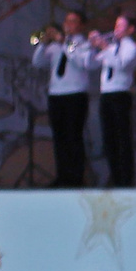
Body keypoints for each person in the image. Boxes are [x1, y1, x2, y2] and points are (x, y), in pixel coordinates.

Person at [31, 12, 95, 189]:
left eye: (73, 21)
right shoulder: (56, 45)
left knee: (73, 136)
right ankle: (62, 176)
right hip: (56, 95)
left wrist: (63, 41)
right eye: (66, 21)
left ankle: (76, 178)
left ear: (81, 25)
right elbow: (37, 63)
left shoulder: (84, 44)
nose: (68, 24)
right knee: (59, 138)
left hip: (75, 95)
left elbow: (82, 61)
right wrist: (43, 44)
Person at [93, 13, 136, 187]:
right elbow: (91, 63)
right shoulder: (112, 46)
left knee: (122, 138)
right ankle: (115, 176)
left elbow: (121, 65)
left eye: (121, 25)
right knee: (109, 138)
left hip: (121, 94)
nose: (116, 29)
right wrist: (92, 46)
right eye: (116, 25)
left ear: (131, 29)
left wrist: (105, 46)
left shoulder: (131, 48)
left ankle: (126, 179)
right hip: (106, 94)